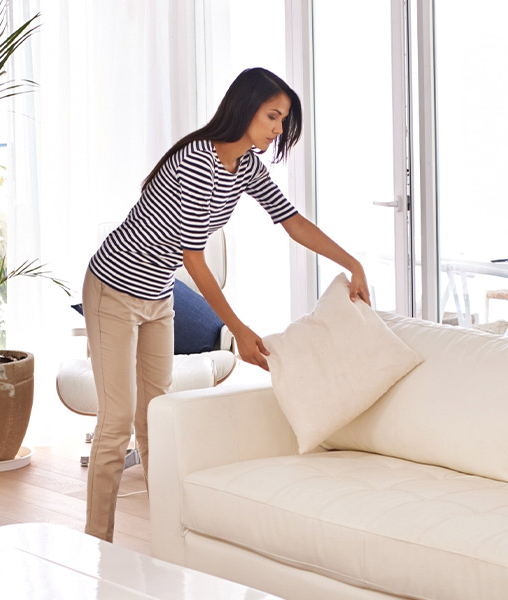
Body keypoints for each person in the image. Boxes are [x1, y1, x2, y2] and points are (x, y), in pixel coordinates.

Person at [82, 67, 370, 542]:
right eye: (272, 116)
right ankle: (98, 546)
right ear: (245, 107)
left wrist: (352, 262)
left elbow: (292, 221)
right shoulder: (196, 161)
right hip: (113, 288)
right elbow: (193, 259)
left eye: (283, 120)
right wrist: (237, 327)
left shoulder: (246, 166)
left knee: (156, 417)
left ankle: (168, 540)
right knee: (117, 424)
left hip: (158, 294)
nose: (278, 129)